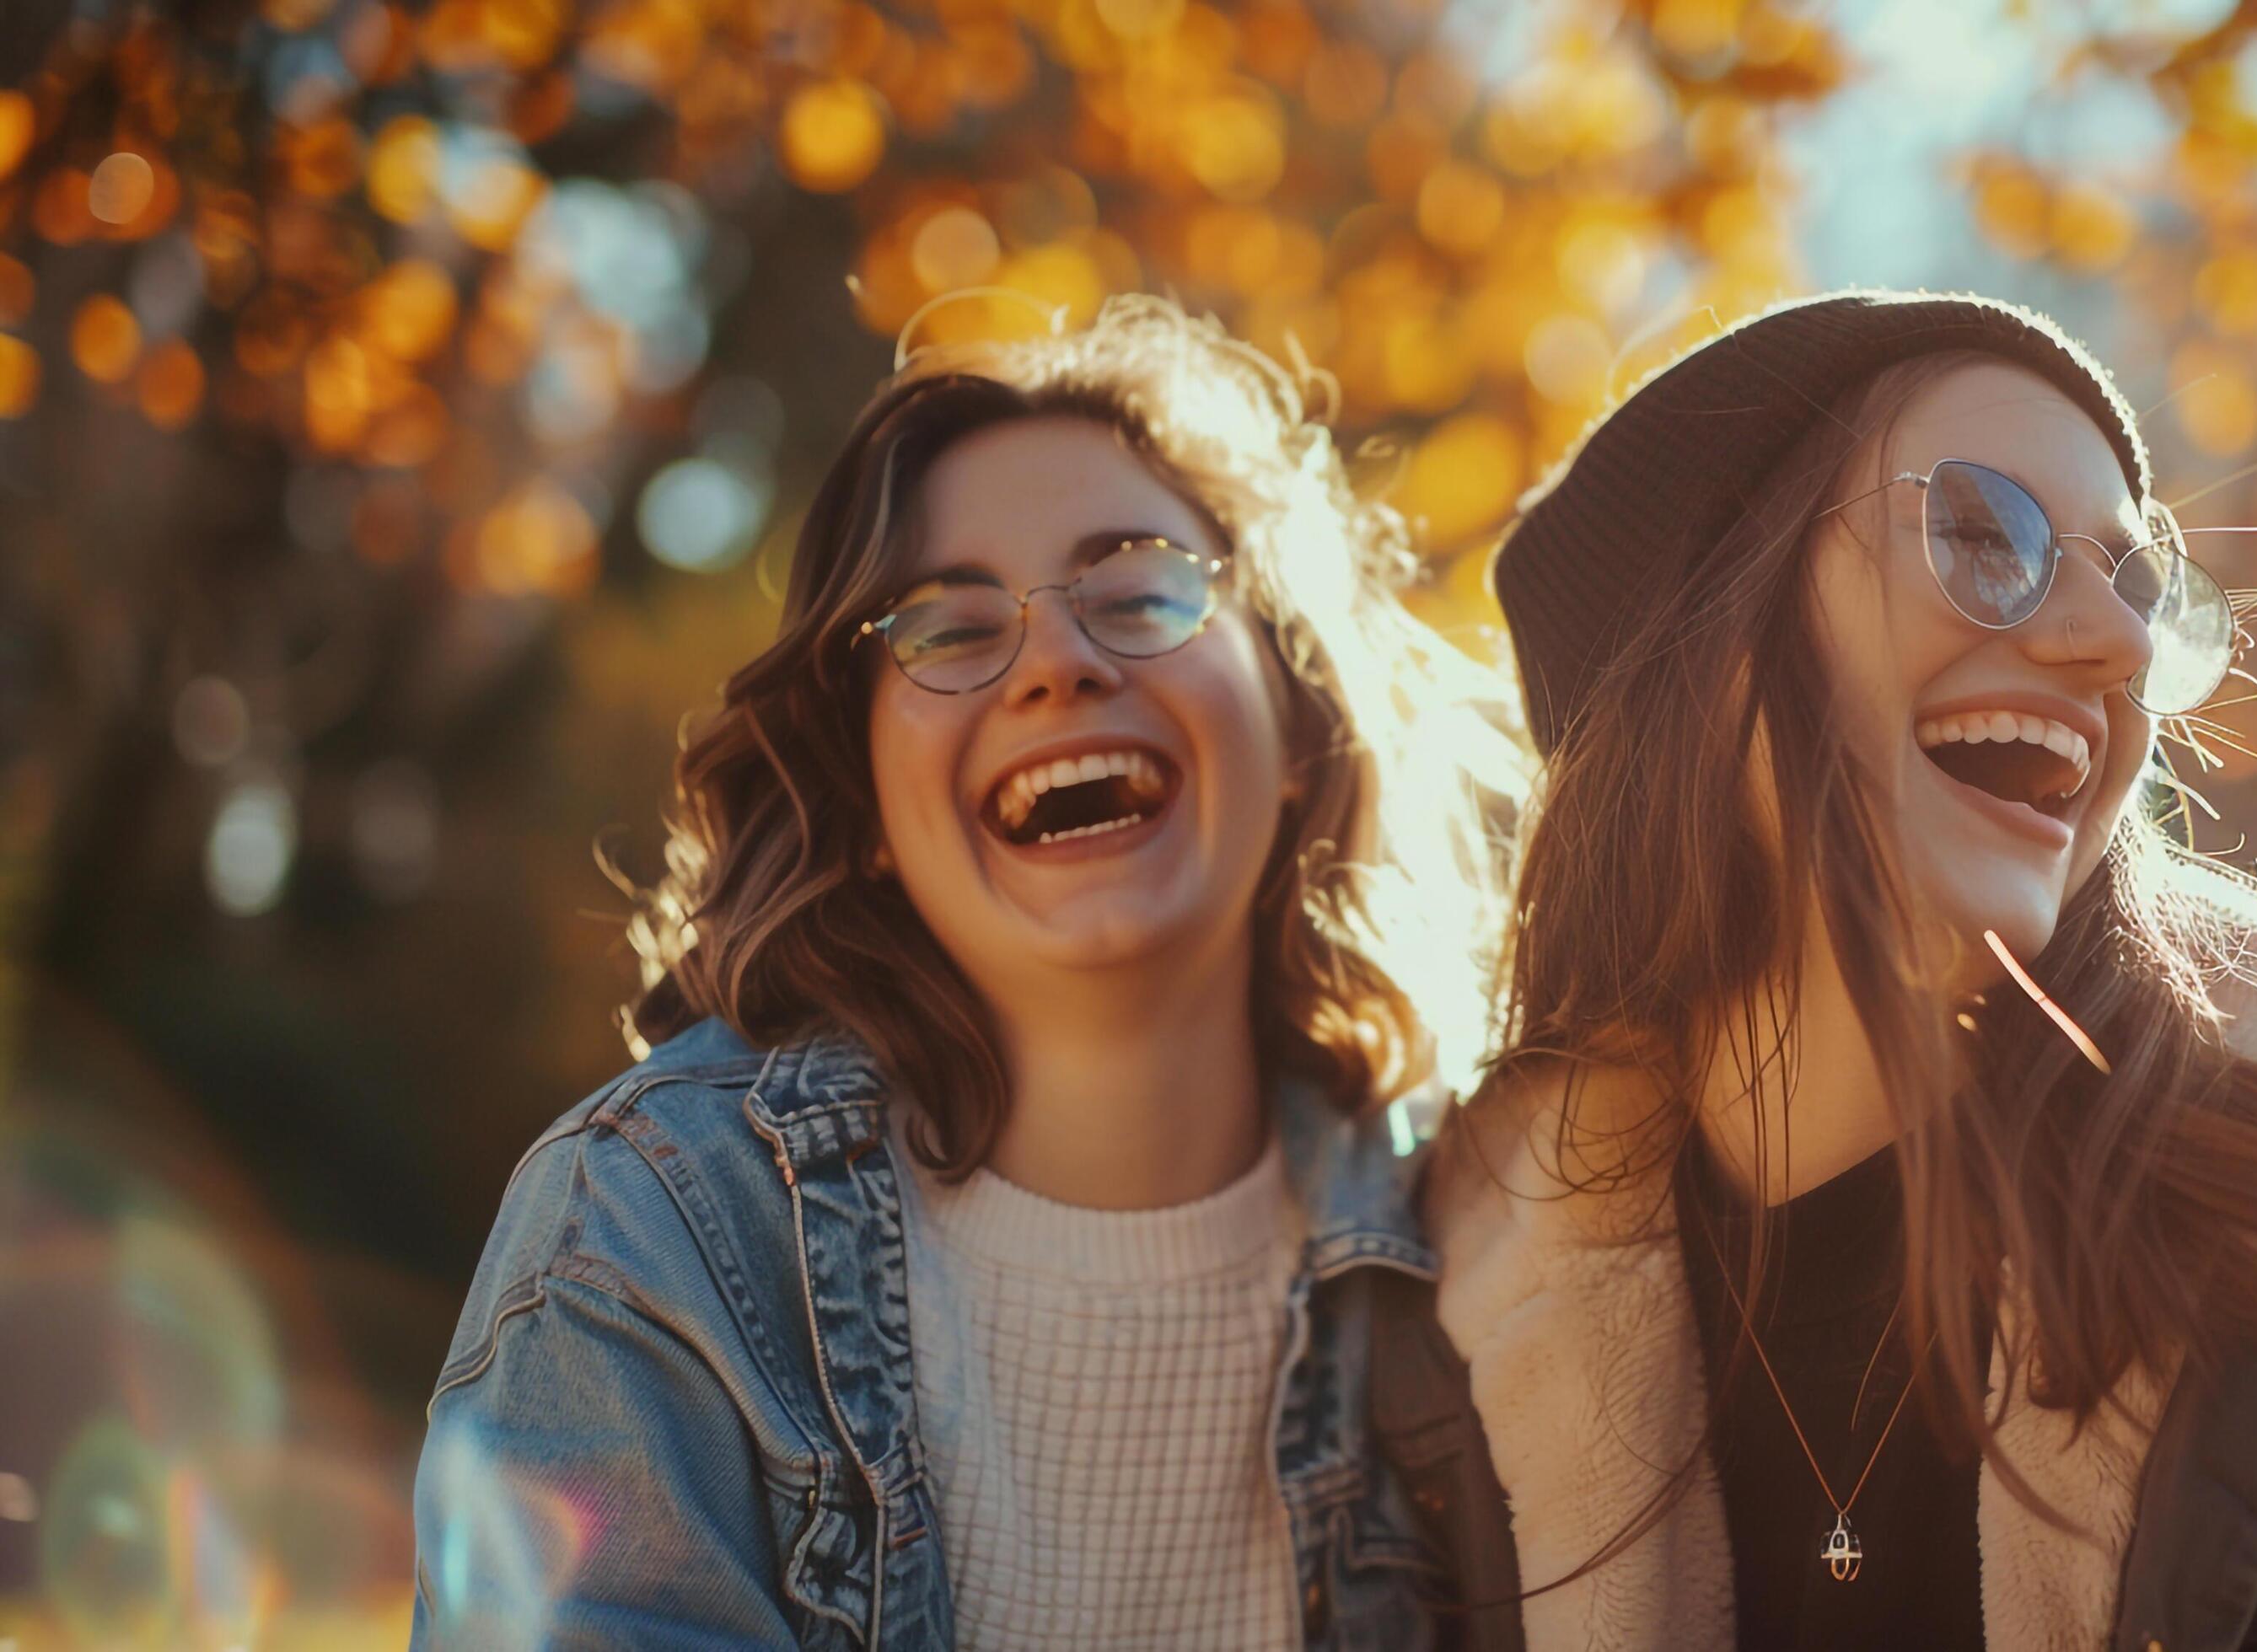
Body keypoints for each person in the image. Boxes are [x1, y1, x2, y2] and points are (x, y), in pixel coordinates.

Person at [1421, 290, 2257, 1649]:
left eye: (2141, 585)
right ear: (1688, 646)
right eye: (1983, 533)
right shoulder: (1448, 1326)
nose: (2119, 644)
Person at [411, 294, 1521, 1649]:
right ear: (868, 810)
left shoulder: (1499, 1236)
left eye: (1141, 590)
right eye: (945, 628)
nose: (1056, 660)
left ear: (1296, 726)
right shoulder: (653, 1234)